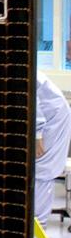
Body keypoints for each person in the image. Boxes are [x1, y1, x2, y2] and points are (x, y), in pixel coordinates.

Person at [36, 72, 71, 224]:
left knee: (41, 170)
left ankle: (38, 224)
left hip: (51, 119)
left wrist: (37, 133)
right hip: (47, 115)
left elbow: (28, 96)